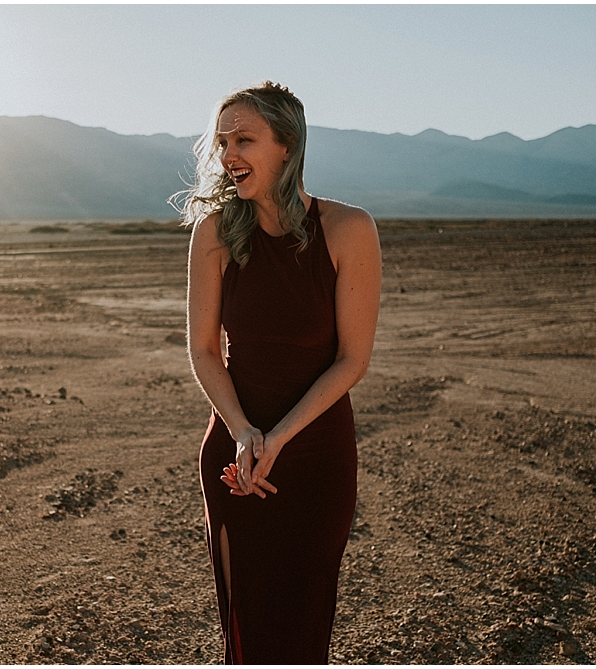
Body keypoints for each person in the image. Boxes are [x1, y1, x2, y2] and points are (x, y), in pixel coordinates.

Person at [181, 81, 381, 663]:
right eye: (222, 142)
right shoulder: (215, 233)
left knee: (302, 613)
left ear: (287, 147)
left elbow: (353, 359)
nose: (228, 155)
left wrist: (280, 440)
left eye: (244, 139)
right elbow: (202, 352)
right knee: (244, 619)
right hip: (234, 455)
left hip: (315, 454)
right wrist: (245, 434)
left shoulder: (349, 229)